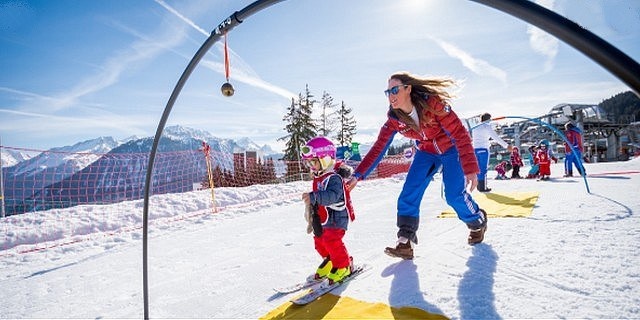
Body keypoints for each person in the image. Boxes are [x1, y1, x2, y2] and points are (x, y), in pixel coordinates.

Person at [347, 71, 488, 260]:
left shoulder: (433, 104)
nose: (391, 96)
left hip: (451, 149)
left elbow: (459, 133)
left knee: (454, 196)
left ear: (408, 89)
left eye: (395, 90)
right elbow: (379, 147)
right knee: (409, 192)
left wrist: (470, 167)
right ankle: (405, 241)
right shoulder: (395, 120)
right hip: (427, 152)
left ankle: (477, 221)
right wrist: (358, 175)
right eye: (387, 92)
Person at [301, 136, 355, 284]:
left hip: (337, 218)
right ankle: (331, 260)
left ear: (325, 159)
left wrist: (314, 197)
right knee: (319, 241)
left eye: (314, 162)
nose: (312, 166)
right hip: (323, 218)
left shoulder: (334, 178)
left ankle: (344, 265)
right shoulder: (319, 176)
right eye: (309, 163)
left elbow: (332, 196)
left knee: (332, 240)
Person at [472, 113, 510, 192]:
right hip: (484, 150)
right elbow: (496, 138)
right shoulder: (487, 127)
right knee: (483, 169)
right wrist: (506, 146)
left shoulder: (475, 127)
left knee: (478, 168)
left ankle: (479, 186)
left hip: (475, 150)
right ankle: (483, 187)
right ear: (489, 119)